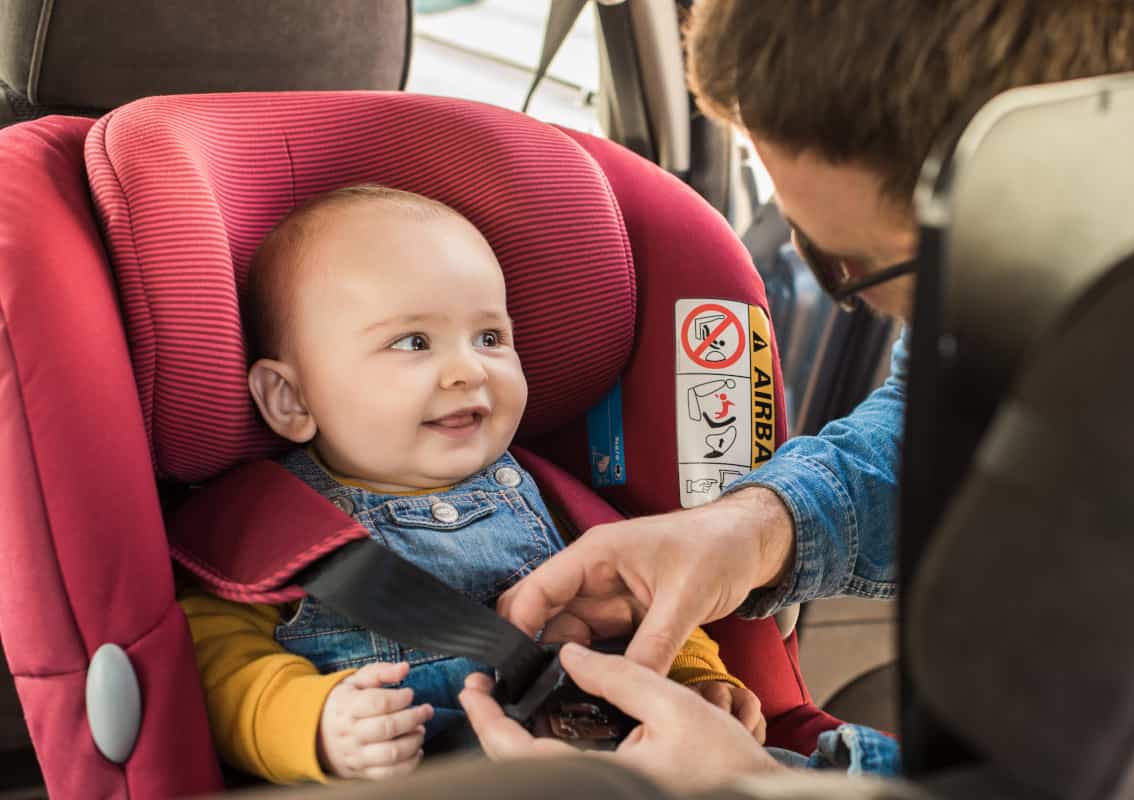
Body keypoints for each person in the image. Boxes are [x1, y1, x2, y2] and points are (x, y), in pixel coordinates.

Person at [460, 0, 1134, 790]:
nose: (854, 299)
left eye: (854, 264)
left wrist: (760, 792)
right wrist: (750, 529)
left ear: (1065, 164)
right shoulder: (1032, 185)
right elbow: (952, 414)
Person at [179, 184, 764, 784]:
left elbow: (643, 598)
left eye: (490, 338)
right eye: (413, 342)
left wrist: (695, 676)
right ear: (291, 397)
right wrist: (318, 724)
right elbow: (219, 667)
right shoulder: (268, 532)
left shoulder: (550, 498)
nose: (468, 370)